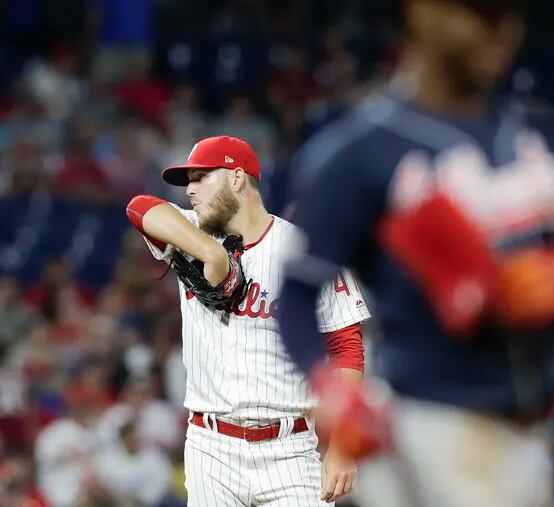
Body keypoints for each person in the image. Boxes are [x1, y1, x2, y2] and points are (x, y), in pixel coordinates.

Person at [278, 0, 554, 506]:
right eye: (481, 14)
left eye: (509, 16)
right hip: (428, 435)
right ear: (421, 13)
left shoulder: (540, 138)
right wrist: (331, 388)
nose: (501, 30)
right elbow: (296, 295)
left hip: (535, 439)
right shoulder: (362, 152)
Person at [125, 135, 370, 505]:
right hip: (210, 447)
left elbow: (346, 349)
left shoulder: (306, 250)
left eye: (201, 177)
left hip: (289, 446)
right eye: (188, 181)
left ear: (237, 178)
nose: (190, 190)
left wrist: (343, 448)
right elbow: (139, 207)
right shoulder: (189, 233)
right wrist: (210, 252)